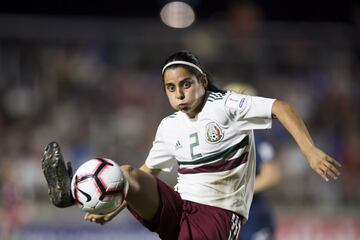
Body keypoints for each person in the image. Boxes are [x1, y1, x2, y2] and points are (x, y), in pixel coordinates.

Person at [42, 51, 341, 240]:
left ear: (203, 80)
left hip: (219, 215)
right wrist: (113, 208)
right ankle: (72, 195)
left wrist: (310, 151)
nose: (180, 94)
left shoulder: (226, 105)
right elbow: (147, 174)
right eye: (171, 88)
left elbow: (281, 107)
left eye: (186, 84)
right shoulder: (169, 125)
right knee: (127, 172)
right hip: (179, 206)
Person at [224, 83, 281, 240]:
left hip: (253, 216)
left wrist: (237, 191)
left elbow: (271, 175)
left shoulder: (254, 136)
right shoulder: (222, 138)